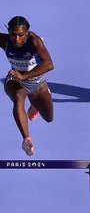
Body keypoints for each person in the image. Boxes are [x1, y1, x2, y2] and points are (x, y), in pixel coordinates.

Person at [1, 16, 54, 156]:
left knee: (49, 118)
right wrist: (20, 77)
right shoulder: (5, 41)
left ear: (27, 32)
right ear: (9, 32)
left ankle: (34, 104)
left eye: (21, 35)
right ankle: (26, 139)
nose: (16, 39)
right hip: (15, 80)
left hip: (36, 82)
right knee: (19, 96)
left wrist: (24, 76)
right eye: (13, 34)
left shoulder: (35, 42)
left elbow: (49, 64)